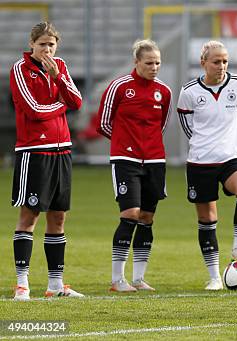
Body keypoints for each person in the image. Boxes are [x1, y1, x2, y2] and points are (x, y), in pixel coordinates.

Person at [9, 22, 84, 301]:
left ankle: (55, 284)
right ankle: (22, 284)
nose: (47, 49)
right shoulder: (20, 70)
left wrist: (60, 80)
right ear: (32, 45)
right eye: (42, 44)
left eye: (51, 44)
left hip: (62, 150)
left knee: (59, 216)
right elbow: (35, 111)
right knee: (30, 216)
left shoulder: (60, 66)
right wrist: (62, 103)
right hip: (34, 151)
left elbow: (77, 101)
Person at [176, 40, 237, 291]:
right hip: (201, 161)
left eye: (225, 61)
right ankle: (213, 276)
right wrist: (206, 145)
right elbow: (188, 127)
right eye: (216, 61)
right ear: (203, 63)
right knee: (207, 217)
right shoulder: (189, 92)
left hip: (232, 155)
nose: (221, 66)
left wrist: (232, 145)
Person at [97, 39, 172, 292]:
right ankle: (118, 279)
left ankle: (139, 278)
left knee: (147, 217)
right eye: (149, 63)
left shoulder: (164, 91)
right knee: (130, 214)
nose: (154, 67)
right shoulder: (119, 86)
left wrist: (148, 147)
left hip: (154, 160)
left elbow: (161, 124)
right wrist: (124, 144)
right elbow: (104, 123)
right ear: (136, 62)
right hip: (126, 160)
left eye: (158, 63)